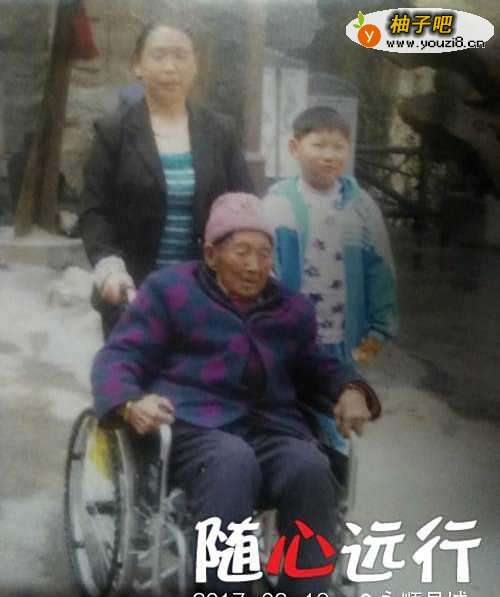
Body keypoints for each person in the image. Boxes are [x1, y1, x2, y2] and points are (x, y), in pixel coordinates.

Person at [91, 192, 381, 597]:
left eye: (264, 254)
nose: (254, 265)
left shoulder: (290, 308)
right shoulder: (170, 292)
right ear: (211, 254)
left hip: (272, 428)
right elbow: (121, 355)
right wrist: (129, 402)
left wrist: (351, 389)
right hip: (195, 428)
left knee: (310, 467)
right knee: (232, 461)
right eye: (241, 252)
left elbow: (319, 366)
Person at [79, 14, 254, 337]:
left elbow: (245, 205)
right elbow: (95, 212)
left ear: (196, 65)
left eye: (180, 56)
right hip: (133, 294)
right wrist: (110, 268)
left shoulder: (220, 131)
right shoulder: (113, 132)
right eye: (158, 56)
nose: (170, 67)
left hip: (209, 295)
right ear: (138, 65)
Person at [264, 106, 398, 366]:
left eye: (338, 147)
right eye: (318, 145)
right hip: (290, 340)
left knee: (344, 391)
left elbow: (381, 270)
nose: (329, 156)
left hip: (344, 341)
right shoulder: (277, 205)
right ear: (294, 148)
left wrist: (377, 336)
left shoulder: (362, 208)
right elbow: (266, 273)